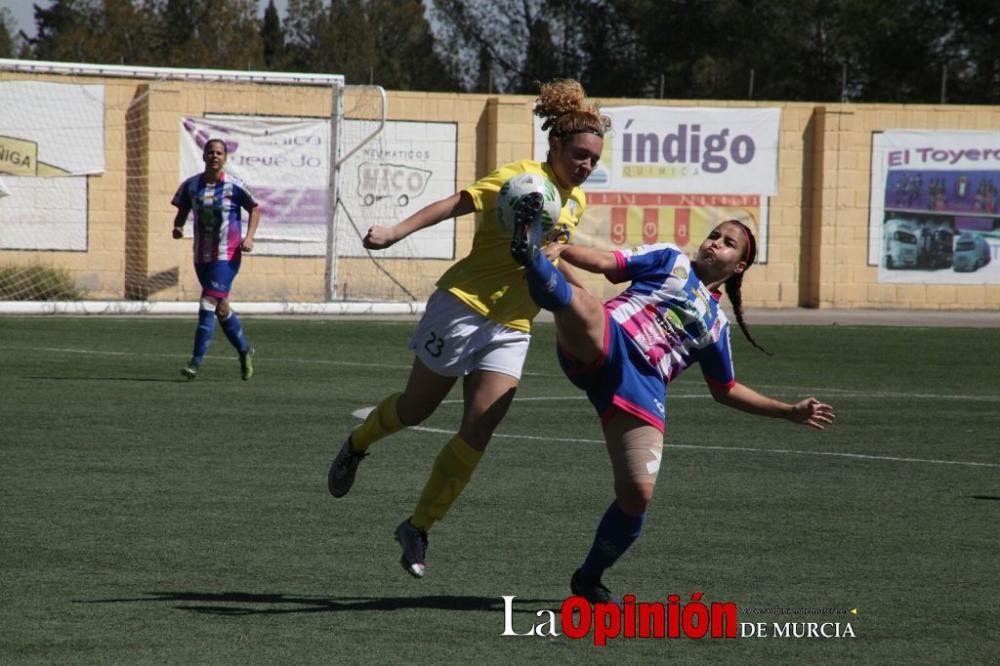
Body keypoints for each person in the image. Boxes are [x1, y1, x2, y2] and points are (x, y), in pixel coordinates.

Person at [328, 79, 611, 578]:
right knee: (417, 409)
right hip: (462, 307)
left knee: (480, 429)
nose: (586, 166)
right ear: (555, 146)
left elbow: (552, 253)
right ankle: (357, 443)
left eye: (593, 159)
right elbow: (455, 203)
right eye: (579, 155)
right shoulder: (520, 178)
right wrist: (394, 232)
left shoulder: (575, 203)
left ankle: (418, 526)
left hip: (513, 325)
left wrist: (583, 293)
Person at [510, 214, 836, 603]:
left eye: (728, 242)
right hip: (611, 338)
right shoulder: (670, 259)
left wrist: (787, 411)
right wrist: (561, 249)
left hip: (644, 388)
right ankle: (530, 256)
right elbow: (607, 264)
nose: (715, 242)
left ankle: (588, 578)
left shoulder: (717, 325)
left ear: (740, 265)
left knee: (637, 497)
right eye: (714, 235)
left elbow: (726, 389)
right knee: (581, 305)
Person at [171, 138, 259, 381]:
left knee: (207, 303)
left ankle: (195, 363)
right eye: (210, 152)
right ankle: (244, 350)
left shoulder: (234, 186)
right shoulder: (191, 186)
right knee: (222, 308)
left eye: (219, 153)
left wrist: (249, 237)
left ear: (225, 157)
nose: (214, 156)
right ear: (204, 156)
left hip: (227, 255)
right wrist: (178, 227)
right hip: (201, 256)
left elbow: (254, 208)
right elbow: (182, 211)